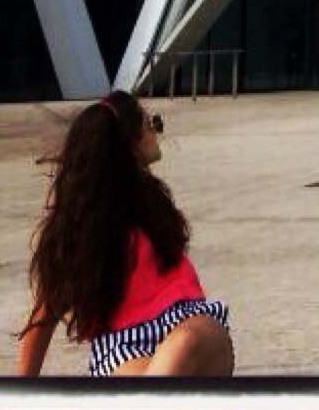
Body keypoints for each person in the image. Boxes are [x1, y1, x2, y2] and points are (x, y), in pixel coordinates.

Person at [14, 90, 234, 378]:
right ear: (128, 141)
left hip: (188, 324)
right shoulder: (82, 230)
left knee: (182, 345)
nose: (156, 131)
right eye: (149, 123)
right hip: (122, 345)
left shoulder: (153, 204)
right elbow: (44, 316)